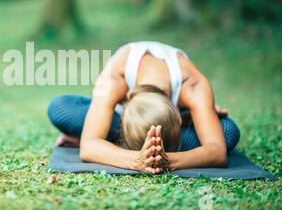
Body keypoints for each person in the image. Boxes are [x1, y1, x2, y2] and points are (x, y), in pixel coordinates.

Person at [47, 41, 240, 174]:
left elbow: (217, 152)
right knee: (60, 107)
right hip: (119, 118)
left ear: (179, 118)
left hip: (168, 123)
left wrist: (168, 160)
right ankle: (109, 133)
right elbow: (88, 148)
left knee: (228, 131)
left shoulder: (192, 84)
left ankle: (109, 141)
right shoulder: (115, 77)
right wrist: (136, 160)